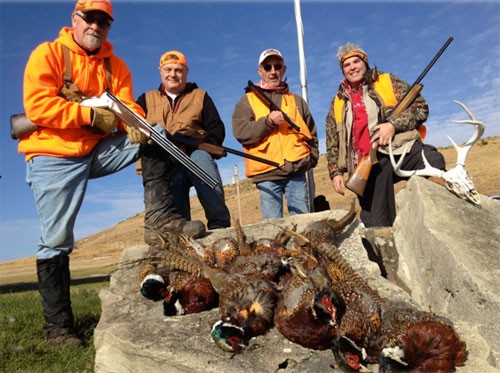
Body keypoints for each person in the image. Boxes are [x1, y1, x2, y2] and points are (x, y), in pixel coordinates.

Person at [19, 0, 202, 347]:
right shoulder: (48, 54)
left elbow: (128, 104)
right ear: (75, 19)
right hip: (52, 152)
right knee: (55, 239)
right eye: (90, 19)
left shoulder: (114, 65)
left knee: (155, 134)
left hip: (95, 151)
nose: (96, 26)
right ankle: (58, 329)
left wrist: (132, 121)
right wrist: (87, 116)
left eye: (104, 22)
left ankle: (160, 221)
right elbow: (37, 104)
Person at [325, 42, 445, 228]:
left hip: (400, 150)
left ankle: (432, 225)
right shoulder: (337, 102)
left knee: (433, 160)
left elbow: (421, 108)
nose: (352, 67)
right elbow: (332, 140)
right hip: (367, 165)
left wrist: (392, 125)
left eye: (356, 61)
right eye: (346, 65)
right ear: (343, 71)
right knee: (377, 225)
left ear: (365, 62)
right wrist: (335, 172)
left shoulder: (388, 81)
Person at [136, 50, 230, 231]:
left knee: (201, 159)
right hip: (163, 163)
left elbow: (216, 127)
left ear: (186, 72)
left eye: (178, 70)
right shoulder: (145, 99)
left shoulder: (201, 96)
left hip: (193, 155)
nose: (173, 74)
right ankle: (180, 232)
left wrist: (200, 144)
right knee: (176, 214)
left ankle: (220, 224)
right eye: (168, 69)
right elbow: (134, 127)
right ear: (160, 71)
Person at [232, 48, 319, 219]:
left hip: (296, 171)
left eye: (277, 66)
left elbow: (312, 133)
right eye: (267, 67)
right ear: (260, 71)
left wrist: (311, 159)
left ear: (284, 70)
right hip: (267, 174)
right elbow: (241, 132)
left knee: (304, 224)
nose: (273, 71)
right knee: (273, 229)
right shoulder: (247, 101)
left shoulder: (297, 101)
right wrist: (268, 122)